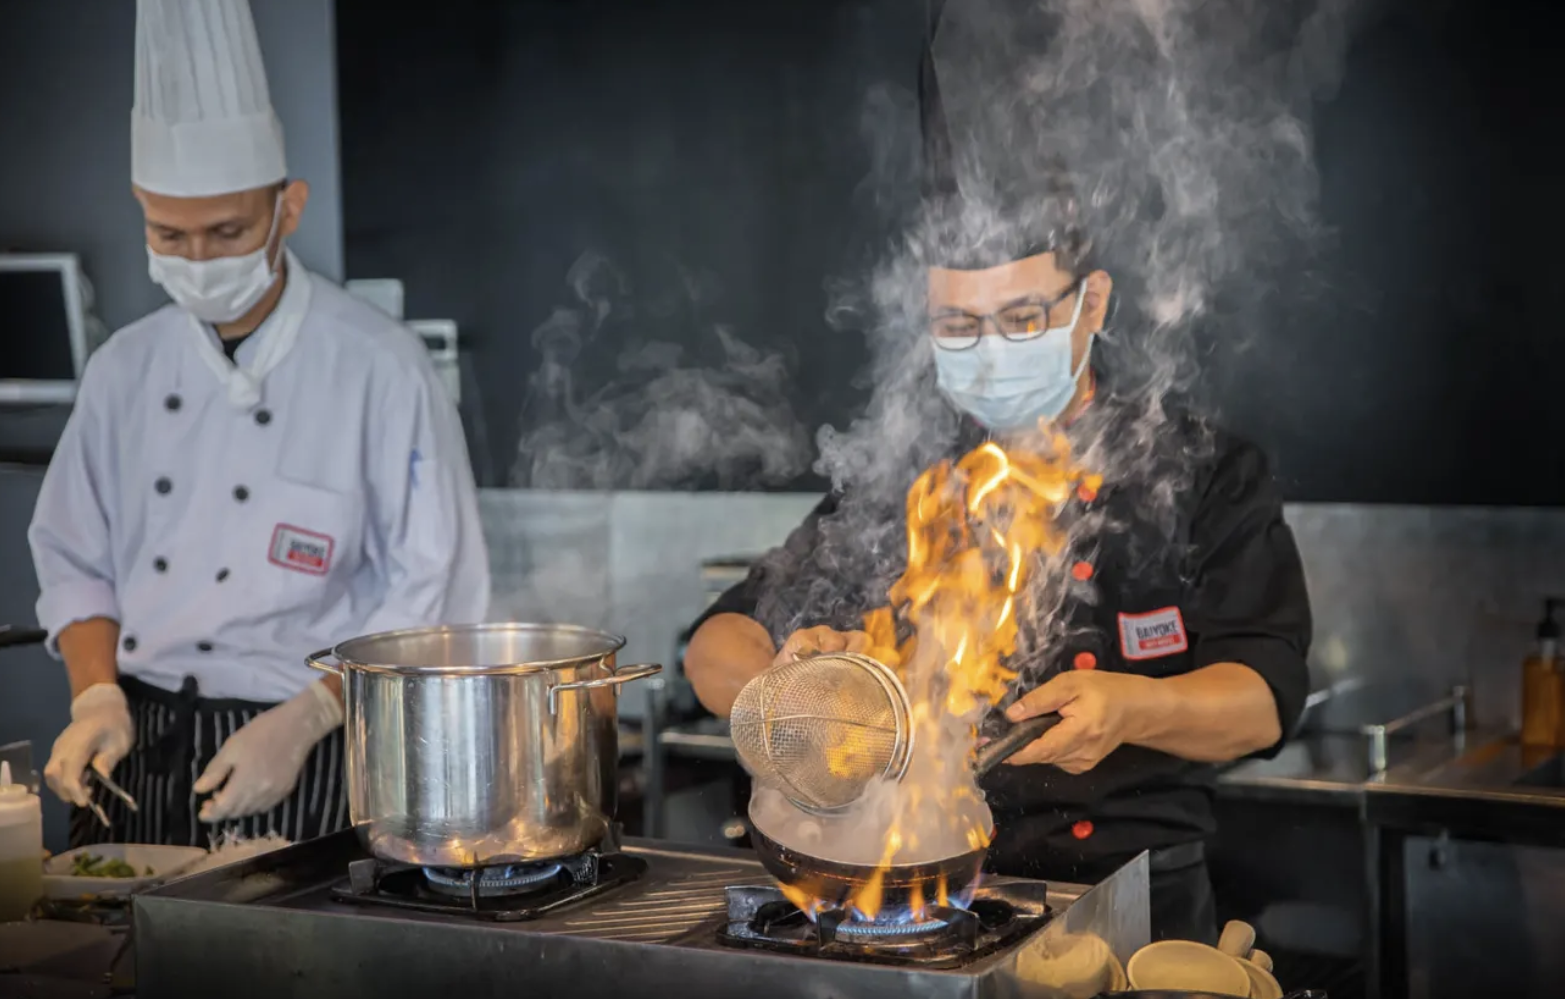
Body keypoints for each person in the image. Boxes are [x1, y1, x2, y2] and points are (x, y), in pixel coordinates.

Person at [681, 2, 1310, 945]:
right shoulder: (907, 472)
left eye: (1020, 322)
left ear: (1088, 303)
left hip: (1131, 903)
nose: (987, 351)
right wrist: (793, 695)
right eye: (956, 327)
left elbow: (1262, 699)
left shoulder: (1200, 468)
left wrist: (1133, 707)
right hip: (921, 895)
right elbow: (712, 644)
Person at [28, 0, 489, 849]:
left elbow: (438, 592)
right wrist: (94, 695)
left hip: (306, 749)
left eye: (227, 230)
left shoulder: (379, 366)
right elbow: (75, 562)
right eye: (169, 233)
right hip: (137, 744)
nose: (198, 260)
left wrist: (312, 714)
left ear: (289, 207)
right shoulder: (123, 370)